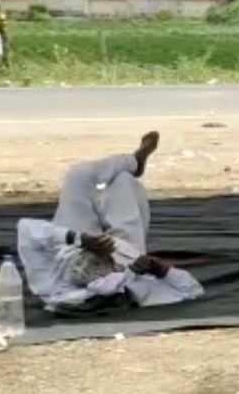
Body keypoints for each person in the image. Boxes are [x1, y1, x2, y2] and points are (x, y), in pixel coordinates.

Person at [16, 131, 205, 310]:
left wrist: (80, 240)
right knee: (124, 181)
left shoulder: (52, 286)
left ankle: (133, 161)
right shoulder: (133, 282)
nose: (98, 264)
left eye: (95, 267)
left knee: (78, 174)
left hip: (74, 241)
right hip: (125, 250)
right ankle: (133, 164)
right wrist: (159, 269)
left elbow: (26, 229)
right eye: (102, 268)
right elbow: (192, 290)